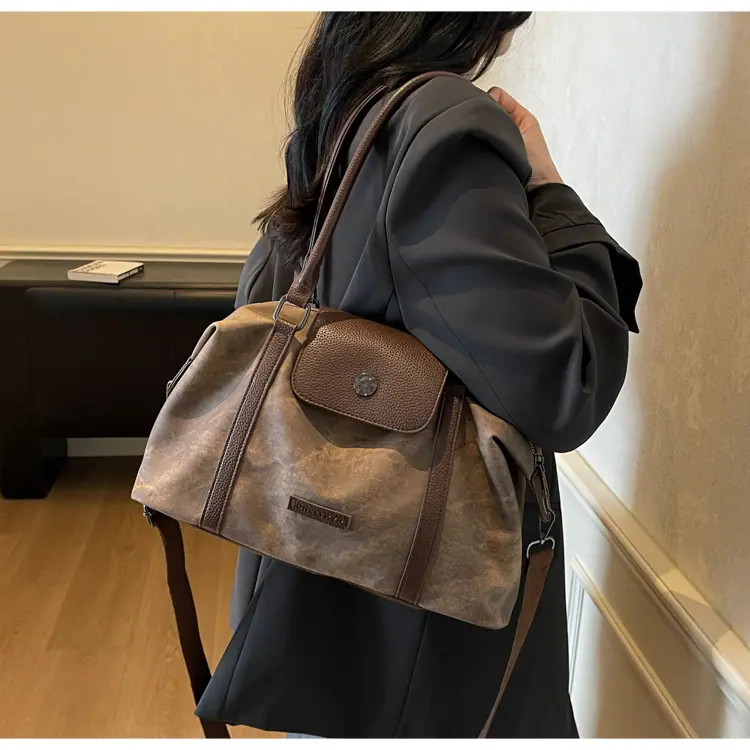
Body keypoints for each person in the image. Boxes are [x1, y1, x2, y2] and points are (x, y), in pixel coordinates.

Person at [195, 11, 642, 739]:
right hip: (419, 628)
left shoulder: (342, 116)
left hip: (321, 588)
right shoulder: (445, 123)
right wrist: (551, 192)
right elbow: (568, 385)